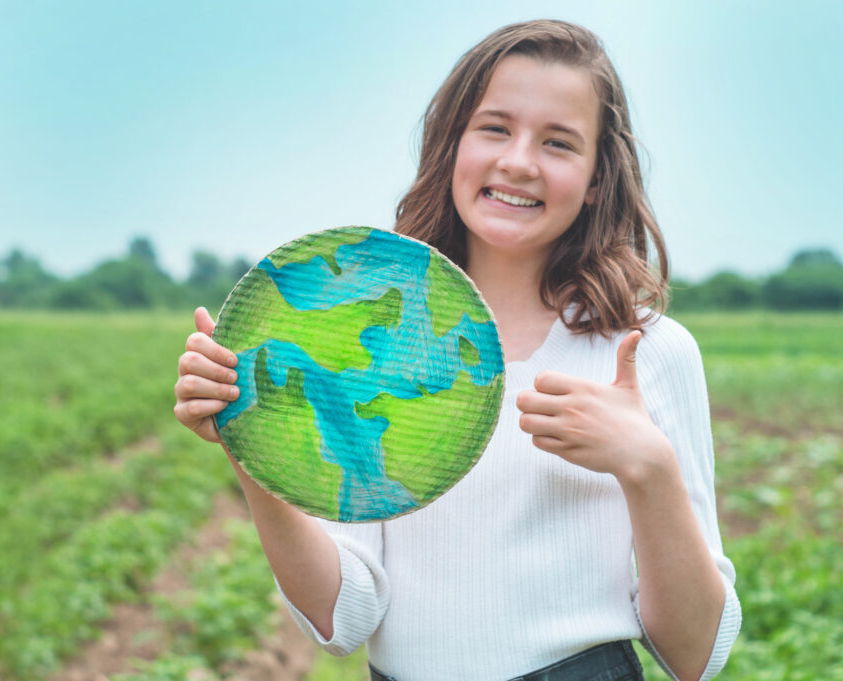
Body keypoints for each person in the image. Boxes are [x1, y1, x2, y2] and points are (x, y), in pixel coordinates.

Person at [174, 19, 740, 681]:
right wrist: (249, 441)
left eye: (559, 143)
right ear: (453, 146)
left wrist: (649, 468)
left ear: (595, 179)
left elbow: (696, 654)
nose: (519, 161)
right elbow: (344, 617)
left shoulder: (647, 352)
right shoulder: (360, 347)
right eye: (495, 128)